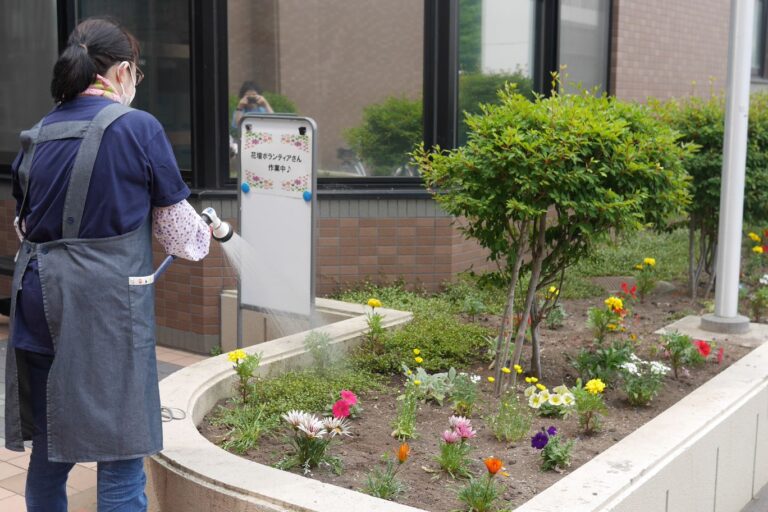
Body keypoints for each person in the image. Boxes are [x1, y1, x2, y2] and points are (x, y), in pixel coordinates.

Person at [5, 17, 211, 511]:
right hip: (102, 315)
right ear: (121, 71)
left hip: (36, 306)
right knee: (120, 461)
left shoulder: (38, 133)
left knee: (51, 451)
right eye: (136, 73)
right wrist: (207, 231)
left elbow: (24, 229)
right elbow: (184, 239)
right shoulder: (137, 128)